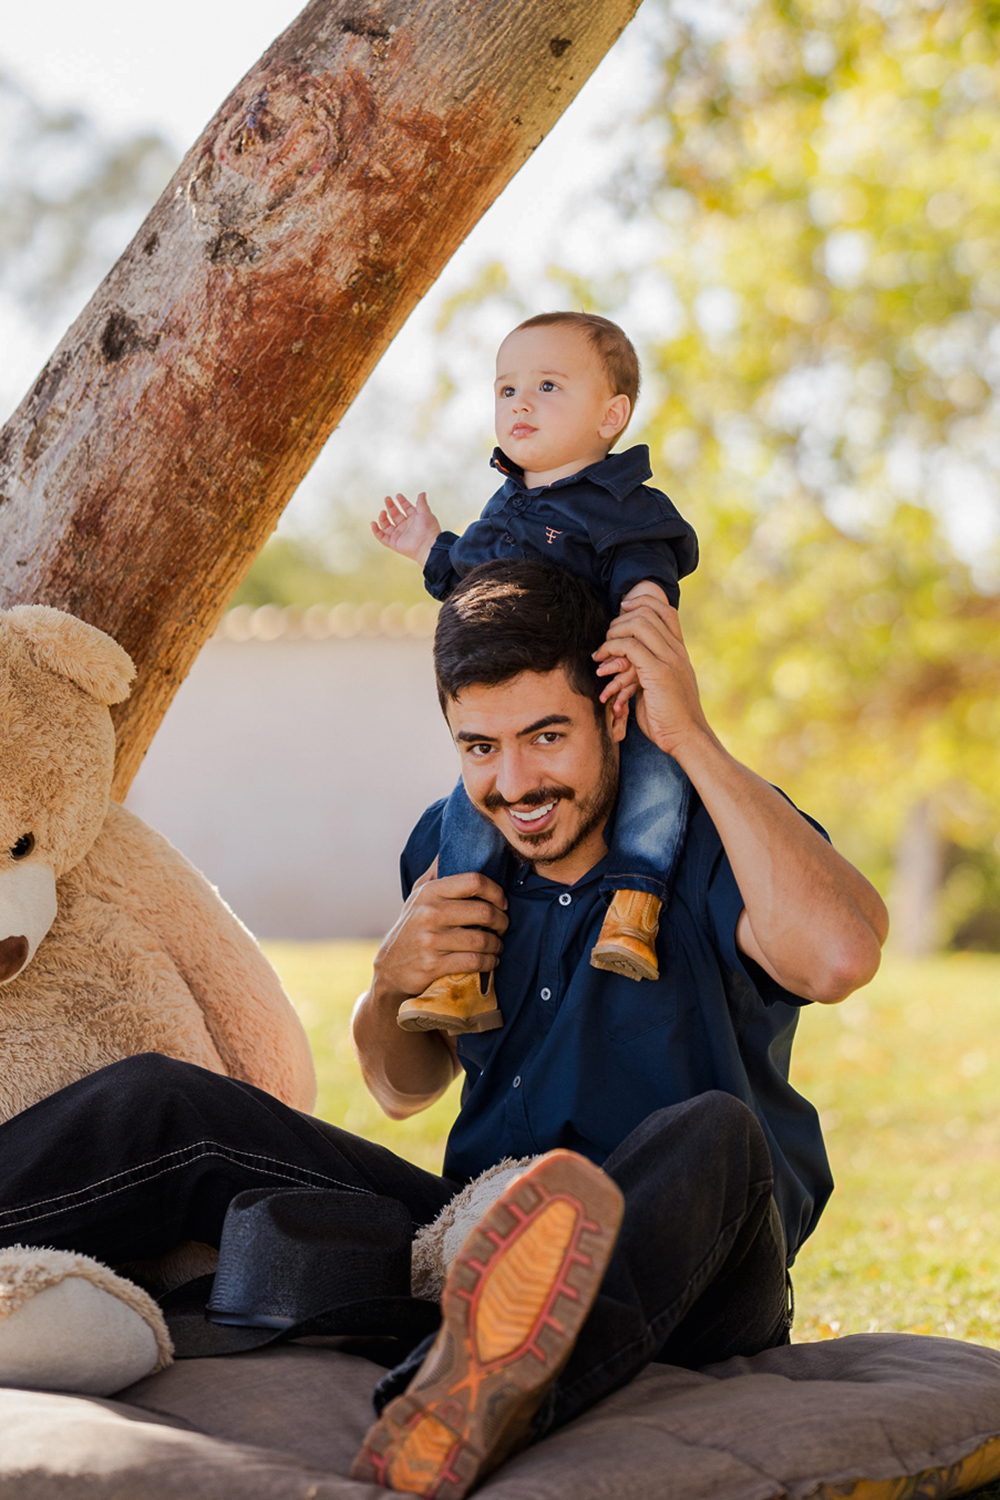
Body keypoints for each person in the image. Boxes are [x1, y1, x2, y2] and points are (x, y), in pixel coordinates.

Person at [0, 560, 887, 1500]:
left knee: (717, 1132)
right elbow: (403, 1087)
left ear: (616, 713)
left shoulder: (708, 830)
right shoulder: (454, 846)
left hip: (689, 1255)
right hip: (472, 1240)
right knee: (163, 1102)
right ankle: (478, 1347)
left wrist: (691, 735)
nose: (515, 782)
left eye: (547, 737)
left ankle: (464, 1395)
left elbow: (839, 957)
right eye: (480, 747)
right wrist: (391, 983)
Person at [371, 312, 700, 1035]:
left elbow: (646, 572)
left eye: (547, 386)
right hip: (521, 708)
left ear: (611, 416)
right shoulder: (504, 509)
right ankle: (461, 971)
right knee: (469, 812)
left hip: (607, 690)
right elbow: (465, 580)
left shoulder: (622, 505)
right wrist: (427, 545)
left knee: (657, 780)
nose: (520, 403)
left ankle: (634, 906)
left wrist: (644, 610)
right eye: (506, 389)